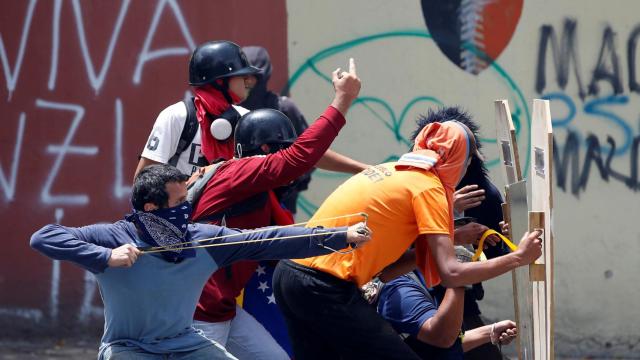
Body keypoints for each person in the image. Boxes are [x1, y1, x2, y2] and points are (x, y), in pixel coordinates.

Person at [30, 164, 371, 360]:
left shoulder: (203, 238)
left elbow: (265, 240)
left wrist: (340, 237)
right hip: (127, 350)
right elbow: (44, 236)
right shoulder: (114, 236)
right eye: (179, 202)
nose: (187, 209)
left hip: (185, 343)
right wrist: (106, 257)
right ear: (151, 209)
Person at [272, 119, 543, 359]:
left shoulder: (394, 171)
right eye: (468, 160)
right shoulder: (430, 187)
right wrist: (519, 257)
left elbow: (386, 270)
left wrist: (450, 239)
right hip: (323, 286)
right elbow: (452, 274)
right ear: (458, 159)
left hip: (290, 275)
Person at [190, 59, 362, 359]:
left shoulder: (256, 191)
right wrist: (342, 99)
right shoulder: (238, 173)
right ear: (266, 152)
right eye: (283, 149)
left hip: (224, 310)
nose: (291, 167)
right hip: (199, 313)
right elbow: (302, 156)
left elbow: (295, 240)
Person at [416, 106, 511, 359]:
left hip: (461, 299)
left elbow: (494, 257)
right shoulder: (413, 186)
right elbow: (403, 246)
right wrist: (448, 209)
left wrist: (503, 240)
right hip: (413, 293)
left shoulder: (483, 194)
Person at [240, 45, 367, 213]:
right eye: (242, 78)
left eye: (251, 78)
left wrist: (362, 169)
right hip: (241, 207)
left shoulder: (283, 108)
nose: (246, 83)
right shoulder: (227, 114)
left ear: (263, 77)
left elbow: (309, 151)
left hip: (280, 206)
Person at [377, 266, 517, 359]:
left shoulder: (420, 275)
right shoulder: (399, 290)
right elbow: (443, 338)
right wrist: (459, 275)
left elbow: (446, 343)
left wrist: (491, 332)